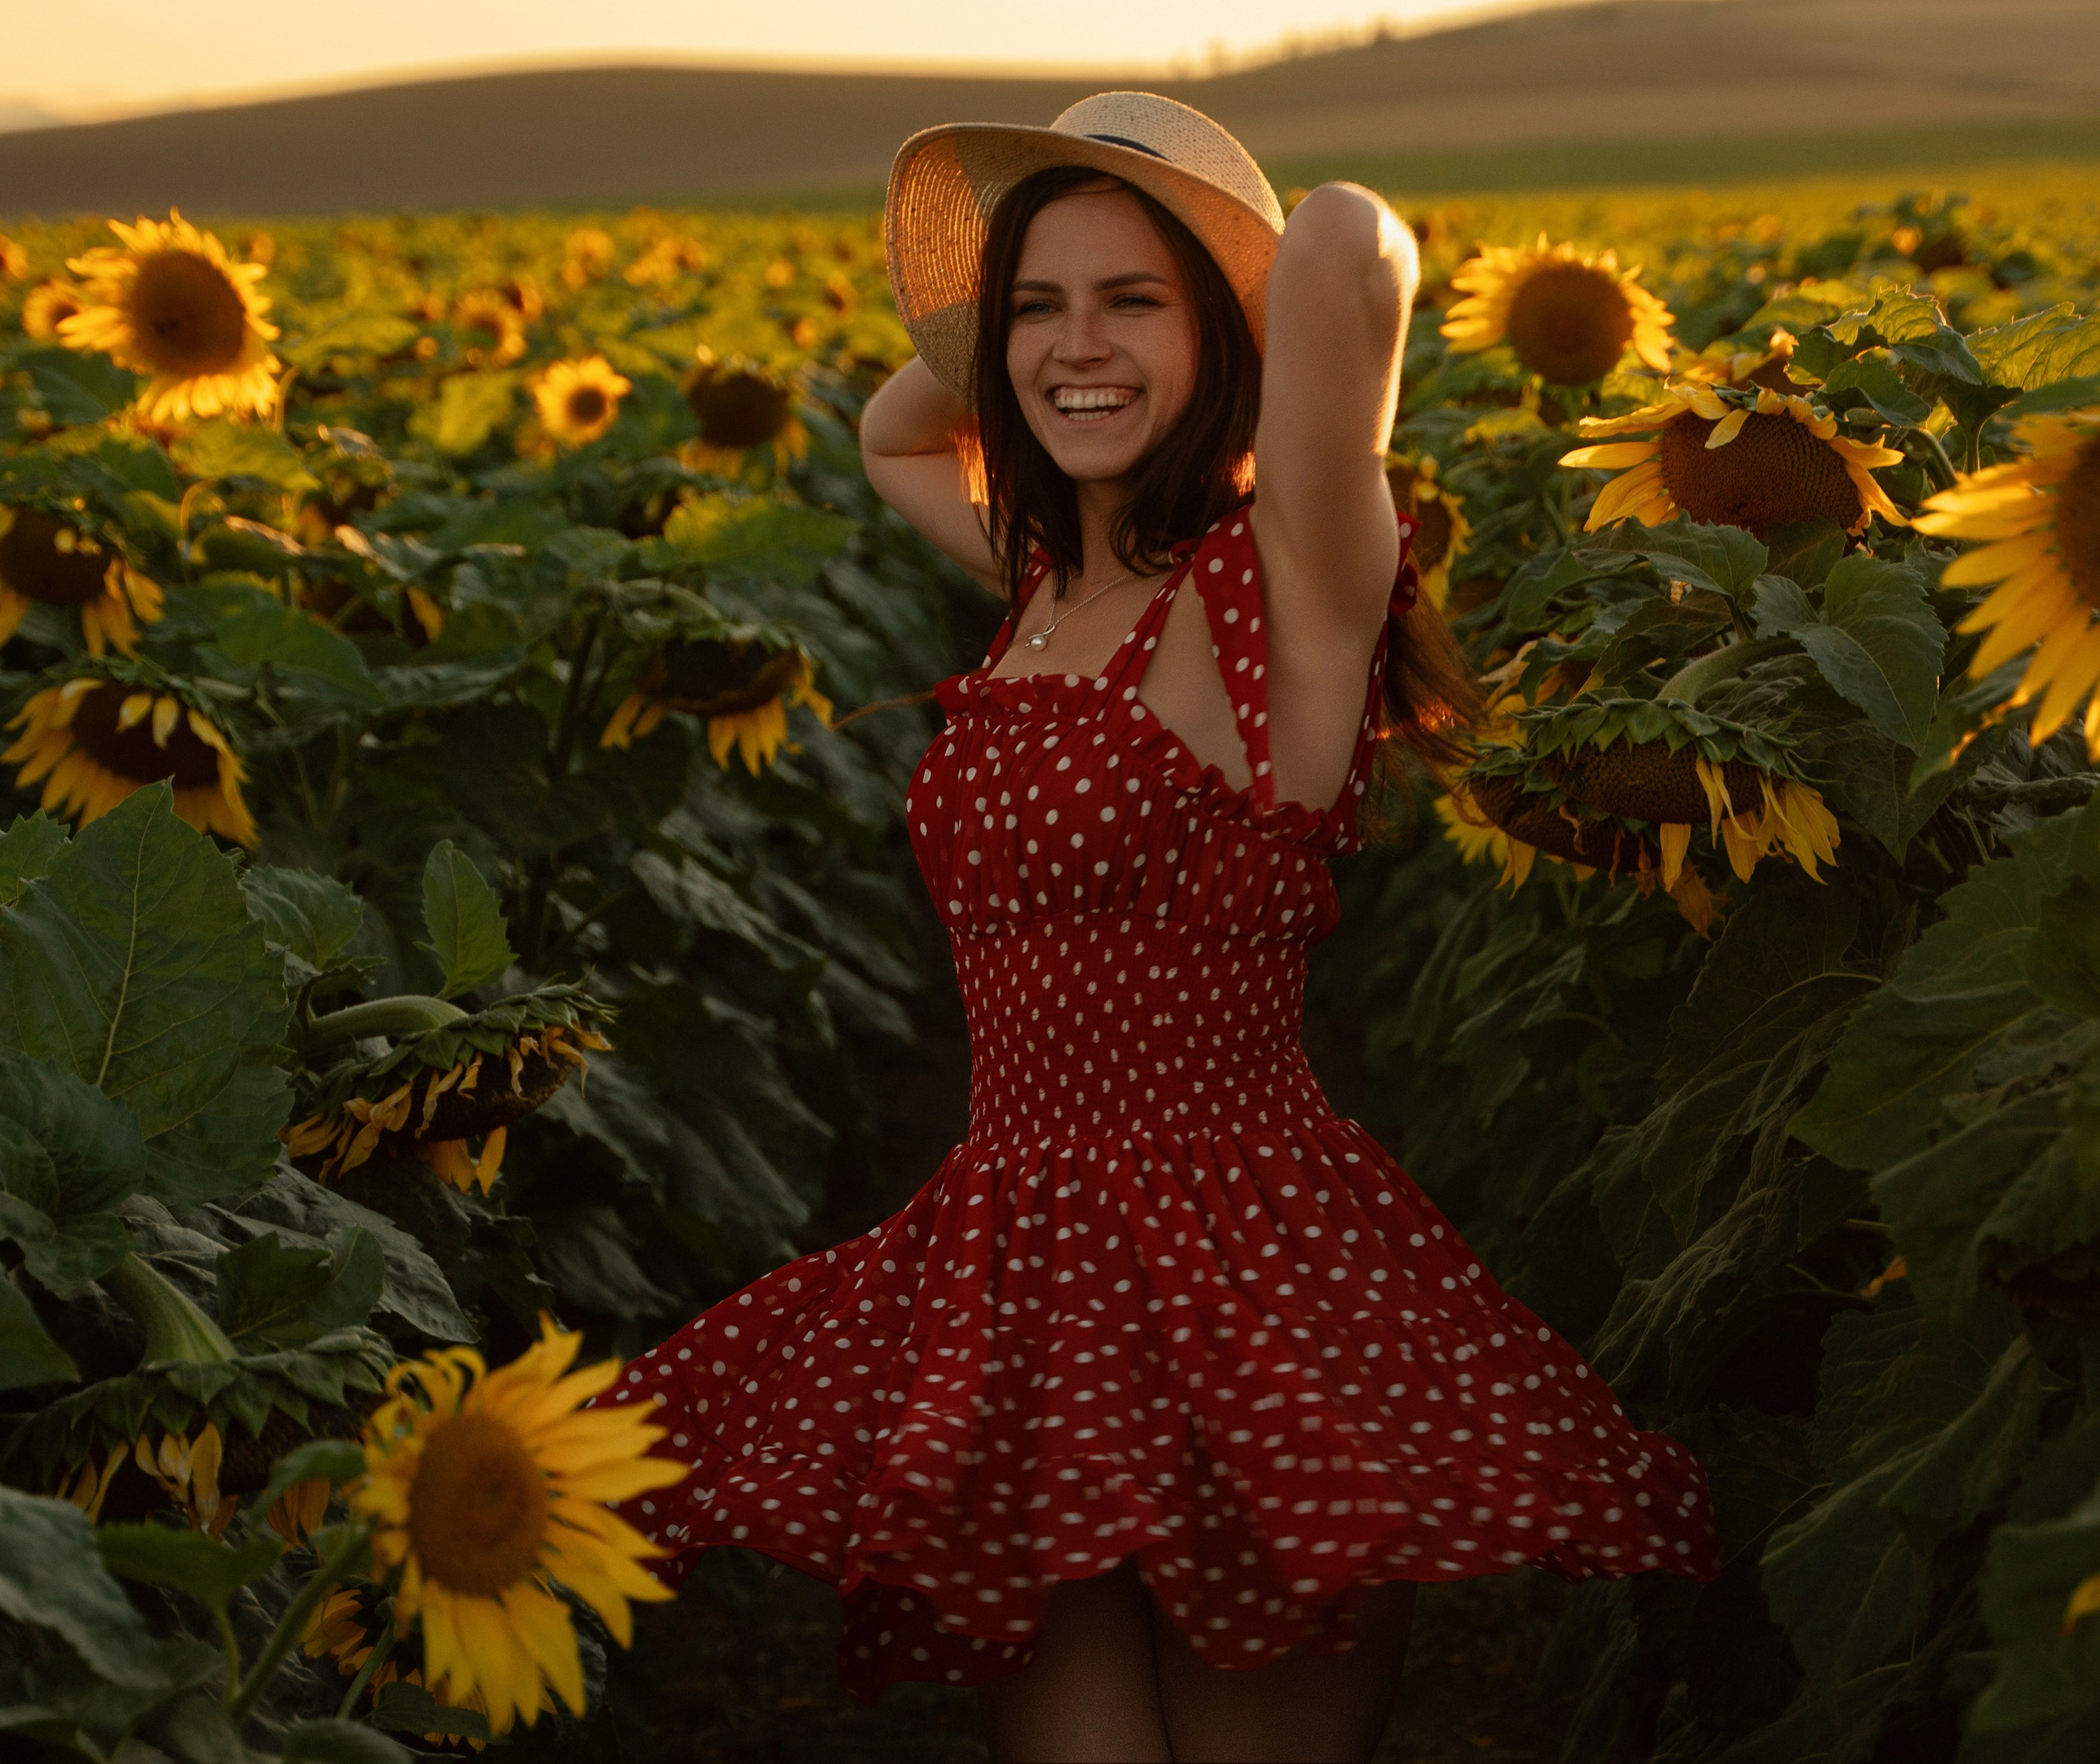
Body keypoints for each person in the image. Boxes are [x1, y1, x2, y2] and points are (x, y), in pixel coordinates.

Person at [602, 92, 1717, 1764]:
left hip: (1246, 1274)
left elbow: (1345, 234)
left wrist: (1189, 289)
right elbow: (891, 432)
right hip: (1018, 1270)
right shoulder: (1042, 583)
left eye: (1136, 299)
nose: (1073, 347)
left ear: (1228, 322)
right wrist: (1048, 337)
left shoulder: (1286, 580)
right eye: (1034, 308)